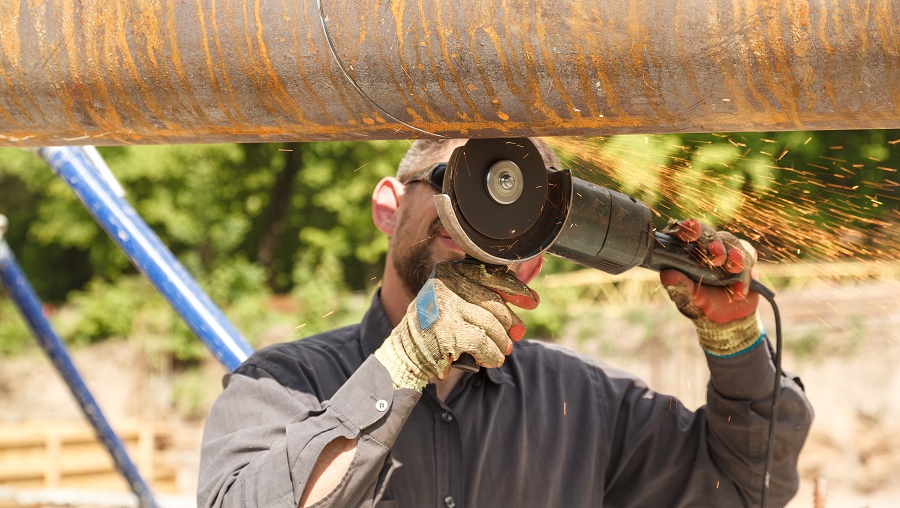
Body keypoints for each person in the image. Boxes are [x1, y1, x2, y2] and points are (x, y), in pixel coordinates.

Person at [198, 138, 813, 508]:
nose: (478, 220)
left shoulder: (585, 403)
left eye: (514, 206)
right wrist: (403, 363)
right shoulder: (282, 384)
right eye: (454, 182)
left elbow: (743, 489)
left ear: (538, 257)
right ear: (389, 206)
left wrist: (734, 343)